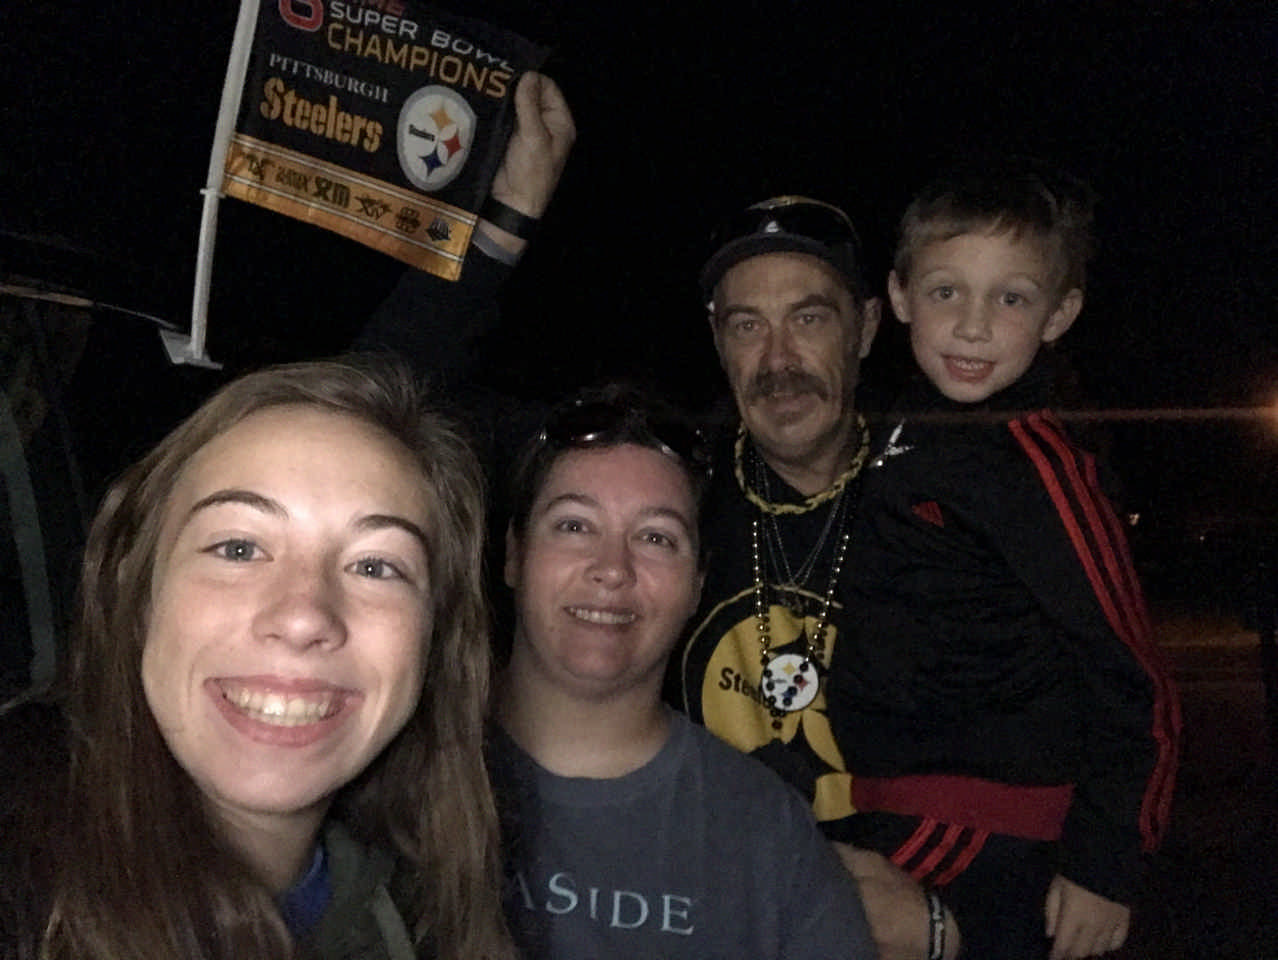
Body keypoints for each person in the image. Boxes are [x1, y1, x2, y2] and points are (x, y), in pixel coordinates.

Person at [0, 358, 516, 960]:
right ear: (138, 594)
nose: (303, 617)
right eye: (238, 547)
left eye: (376, 566)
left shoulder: (422, 910)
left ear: (435, 640)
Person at [823, 161, 1181, 959]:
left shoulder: (1032, 462)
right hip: (889, 791)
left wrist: (1107, 863)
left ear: (1059, 315)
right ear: (903, 296)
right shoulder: (906, 425)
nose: (974, 325)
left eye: (1011, 298)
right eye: (948, 291)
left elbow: (1131, 671)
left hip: (981, 817)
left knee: (786, 915)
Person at [489, 384, 878, 958]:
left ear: (697, 585)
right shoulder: (396, 771)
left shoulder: (767, 834)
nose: (612, 569)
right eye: (574, 526)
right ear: (514, 555)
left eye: (655, 538)